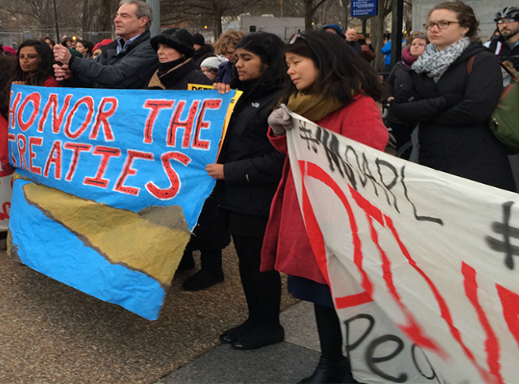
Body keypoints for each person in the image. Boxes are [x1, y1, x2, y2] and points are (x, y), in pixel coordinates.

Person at [263, 30, 388, 382]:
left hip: (335, 218)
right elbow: (290, 151)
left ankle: (343, 366)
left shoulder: (358, 105)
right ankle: (331, 362)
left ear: (323, 62)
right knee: (319, 295)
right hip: (305, 211)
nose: (290, 71)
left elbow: (367, 164)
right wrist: (278, 132)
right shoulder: (301, 102)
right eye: (288, 64)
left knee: (337, 294)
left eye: (297, 63)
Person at [208, 32, 287, 349]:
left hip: (258, 195)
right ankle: (255, 319)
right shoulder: (244, 93)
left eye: (246, 59)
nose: (236, 63)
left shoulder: (281, 100)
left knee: (260, 264)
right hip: (237, 195)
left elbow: (279, 158)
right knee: (245, 261)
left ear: (268, 62)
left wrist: (230, 172)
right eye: (235, 58)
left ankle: (269, 324)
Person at [391, 1, 515, 191]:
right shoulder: (421, 65)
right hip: (430, 156)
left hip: (475, 161)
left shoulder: (482, 60)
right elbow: (400, 109)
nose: (434, 29)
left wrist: (425, 114)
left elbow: (475, 109)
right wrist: (446, 101)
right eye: (430, 24)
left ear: (465, 28)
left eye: (443, 23)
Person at [52, 0, 158, 89]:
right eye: (116, 16)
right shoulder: (111, 49)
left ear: (142, 21)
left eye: (124, 16)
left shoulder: (150, 49)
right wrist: (71, 77)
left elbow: (117, 76)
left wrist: (72, 61)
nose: (116, 20)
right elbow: (92, 81)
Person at [384, 32, 428, 157]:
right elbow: (388, 85)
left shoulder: (433, 66)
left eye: (421, 44)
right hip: (398, 115)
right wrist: (388, 97)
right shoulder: (399, 66)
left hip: (421, 114)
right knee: (402, 148)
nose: (416, 46)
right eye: (413, 44)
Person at [147, 28, 212, 89]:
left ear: (183, 52)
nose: (159, 52)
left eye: (166, 47)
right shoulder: (150, 75)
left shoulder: (198, 81)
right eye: (158, 47)